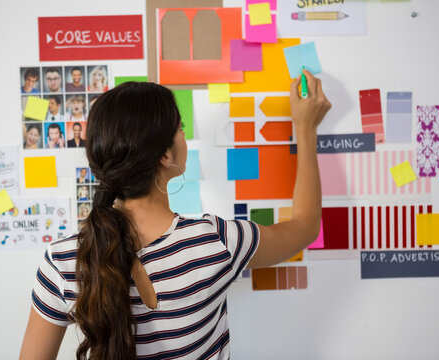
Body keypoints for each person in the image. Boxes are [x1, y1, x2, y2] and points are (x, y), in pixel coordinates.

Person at [20, 74, 331, 359]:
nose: (183, 134)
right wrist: (306, 129)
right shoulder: (215, 241)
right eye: (180, 128)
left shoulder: (61, 261)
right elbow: (304, 227)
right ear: (165, 155)